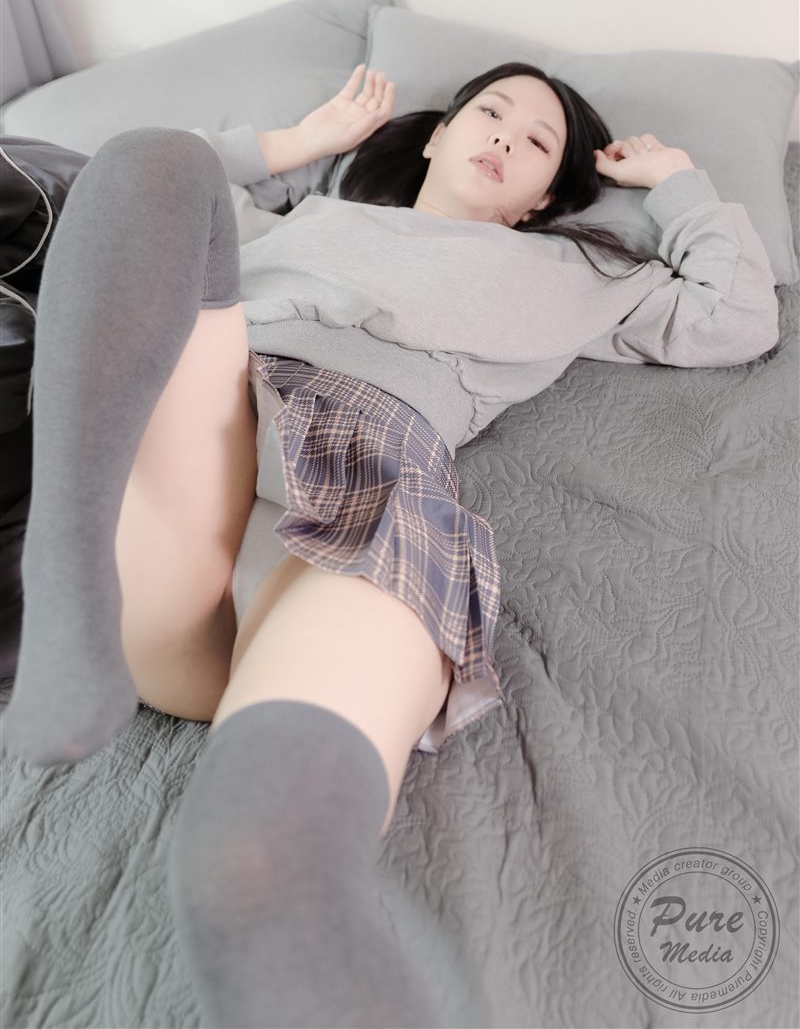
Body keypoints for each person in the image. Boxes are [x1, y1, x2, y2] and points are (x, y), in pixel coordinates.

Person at [0, 62, 779, 1027]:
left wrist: (674, 181)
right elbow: (140, 220)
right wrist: (304, 142)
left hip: (367, 484)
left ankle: (79, 590)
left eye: (538, 141)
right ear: (436, 135)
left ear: (543, 199)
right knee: (153, 162)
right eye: (489, 112)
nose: (505, 136)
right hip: (211, 443)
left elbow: (736, 316)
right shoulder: (306, 221)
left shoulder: (580, 277)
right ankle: (67, 579)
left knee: (260, 868)